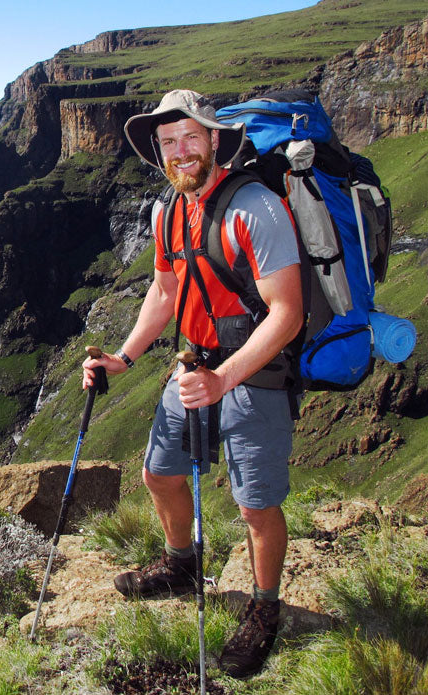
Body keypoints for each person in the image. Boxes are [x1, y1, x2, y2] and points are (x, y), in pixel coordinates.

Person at [82, 89, 303, 678]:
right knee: (159, 473)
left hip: (253, 370)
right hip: (193, 364)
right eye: (168, 142)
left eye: (189, 138)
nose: (180, 151)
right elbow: (164, 293)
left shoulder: (255, 208)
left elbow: (288, 313)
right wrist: (123, 358)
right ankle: (181, 561)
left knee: (255, 506)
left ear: (213, 140)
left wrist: (224, 378)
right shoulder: (169, 212)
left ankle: (264, 608)